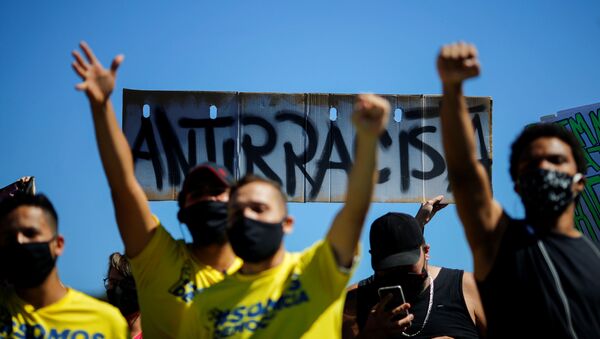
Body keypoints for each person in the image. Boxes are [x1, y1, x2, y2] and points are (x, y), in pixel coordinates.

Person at [183, 93, 391, 338]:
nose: (247, 216)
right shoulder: (204, 304)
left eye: (259, 209)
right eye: (236, 211)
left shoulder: (316, 271)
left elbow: (354, 211)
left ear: (287, 223)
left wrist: (367, 140)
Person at [72, 41, 242, 338]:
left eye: (215, 190)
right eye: (196, 193)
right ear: (183, 213)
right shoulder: (161, 259)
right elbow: (123, 186)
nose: (207, 198)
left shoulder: (260, 271)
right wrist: (101, 108)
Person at [437, 42, 600, 338]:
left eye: (556, 160)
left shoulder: (595, 257)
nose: (543, 167)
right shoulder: (500, 241)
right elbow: (464, 175)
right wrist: (452, 88)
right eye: (531, 163)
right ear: (517, 184)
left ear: (580, 181)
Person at [343, 196, 486, 339]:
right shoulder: (352, 303)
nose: (399, 274)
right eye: (389, 269)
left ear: (426, 251)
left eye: (406, 265)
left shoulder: (466, 288)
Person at [0, 193, 129, 338]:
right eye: (9, 237)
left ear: (58, 244)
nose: (20, 241)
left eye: (30, 233)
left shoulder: (107, 323)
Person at [106, 252, 142, 339]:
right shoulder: (99, 333)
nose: (114, 289)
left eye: (121, 283)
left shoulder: (157, 333)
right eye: (111, 282)